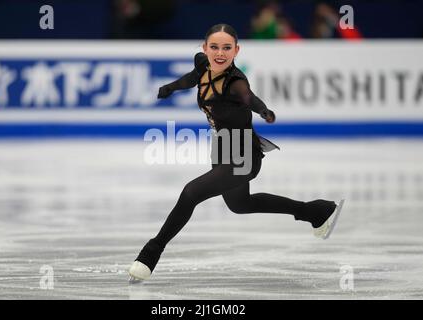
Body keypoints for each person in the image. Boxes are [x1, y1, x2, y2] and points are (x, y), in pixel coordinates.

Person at [128, 23, 344, 283]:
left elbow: (249, 98)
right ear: (205, 48)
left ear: (236, 50)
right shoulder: (202, 65)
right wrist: (172, 87)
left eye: (227, 48)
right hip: (222, 148)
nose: (220, 53)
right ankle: (315, 211)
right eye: (215, 47)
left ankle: (150, 254)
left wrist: (264, 111)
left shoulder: (235, 82)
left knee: (190, 193)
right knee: (241, 205)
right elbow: (192, 78)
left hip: (244, 154)